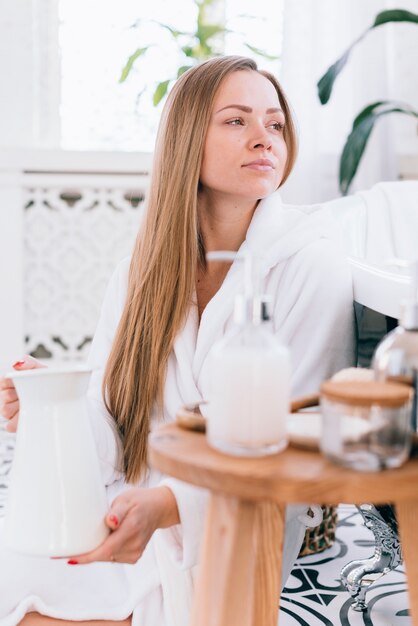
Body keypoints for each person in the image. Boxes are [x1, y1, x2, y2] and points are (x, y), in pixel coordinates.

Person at [0, 55, 355, 626]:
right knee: (12, 575)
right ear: (188, 138)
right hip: (128, 506)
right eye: (237, 121)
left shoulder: (312, 264)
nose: (264, 138)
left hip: (234, 523)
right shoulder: (140, 270)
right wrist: (52, 408)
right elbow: (114, 423)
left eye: (275, 124)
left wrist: (170, 504)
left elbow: (297, 438)